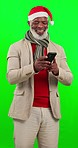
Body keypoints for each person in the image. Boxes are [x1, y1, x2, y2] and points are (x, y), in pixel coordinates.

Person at [7, 6, 73, 148]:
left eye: (44, 22)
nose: (40, 26)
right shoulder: (16, 47)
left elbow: (69, 79)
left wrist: (57, 71)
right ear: (29, 23)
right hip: (25, 111)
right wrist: (33, 68)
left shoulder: (58, 49)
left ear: (48, 24)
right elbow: (11, 77)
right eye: (36, 22)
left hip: (51, 111)